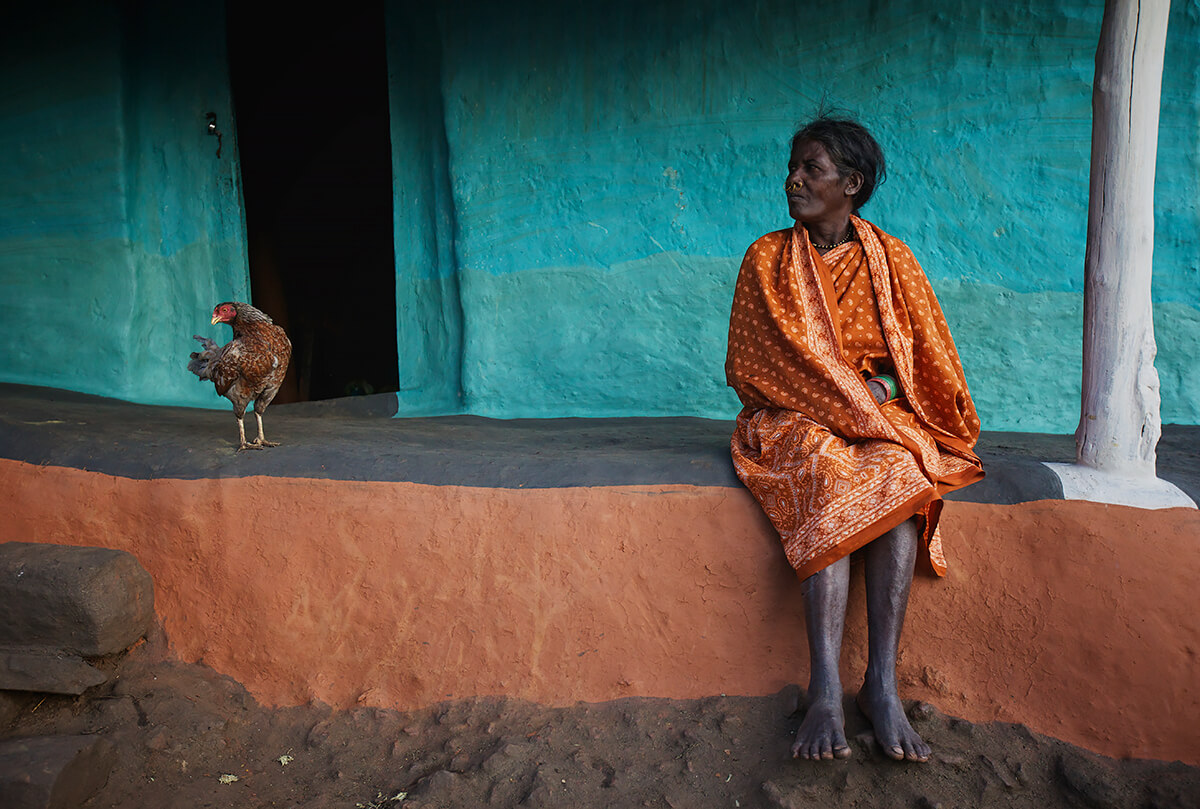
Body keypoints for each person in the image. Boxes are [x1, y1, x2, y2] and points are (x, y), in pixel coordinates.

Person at [725, 117, 984, 762]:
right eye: (794, 166)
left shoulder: (893, 260)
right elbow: (756, 367)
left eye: (812, 169)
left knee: (901, 476)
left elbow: (929, 361)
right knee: (828, 469)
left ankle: (882, 686)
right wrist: (840, 401)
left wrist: (883, 402)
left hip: (874, 415)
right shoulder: (765, 259)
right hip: (790, 416)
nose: (794, 179)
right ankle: (823, 690)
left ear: (853, 183)